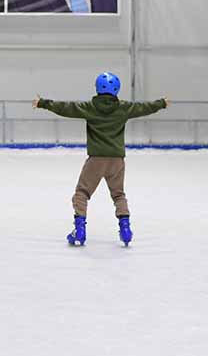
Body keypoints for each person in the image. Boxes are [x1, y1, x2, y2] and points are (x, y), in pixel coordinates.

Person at [33, 72, 167, 246]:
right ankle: (125, 229)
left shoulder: (90, 107)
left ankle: (79, 230)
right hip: (117, 161)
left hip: (96, 160)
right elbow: (144, 107)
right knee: (119, 195)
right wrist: (161, 103)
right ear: (117, 90)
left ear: (97, 88)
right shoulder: (123, 108)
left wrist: (44, 103)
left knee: (82, 193)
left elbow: (67, 108)